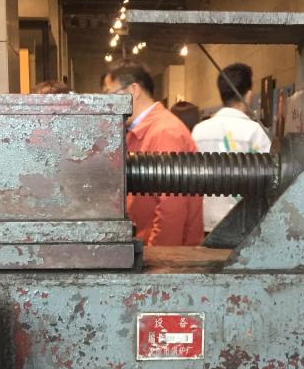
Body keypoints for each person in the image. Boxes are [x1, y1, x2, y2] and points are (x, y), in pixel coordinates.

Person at [101, 60, 202, 247]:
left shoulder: (165, 132)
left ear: (133, 90)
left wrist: (158, 258)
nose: (107, 105)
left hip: (162, 253)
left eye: (110, 95)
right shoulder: (139, 130)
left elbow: (171, 209)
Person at [192, 62, 272, 233]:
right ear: (248, 95)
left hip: (204, 223)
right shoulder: (255, 131)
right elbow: (270, 181)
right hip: (242, 226)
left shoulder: (199, 130)